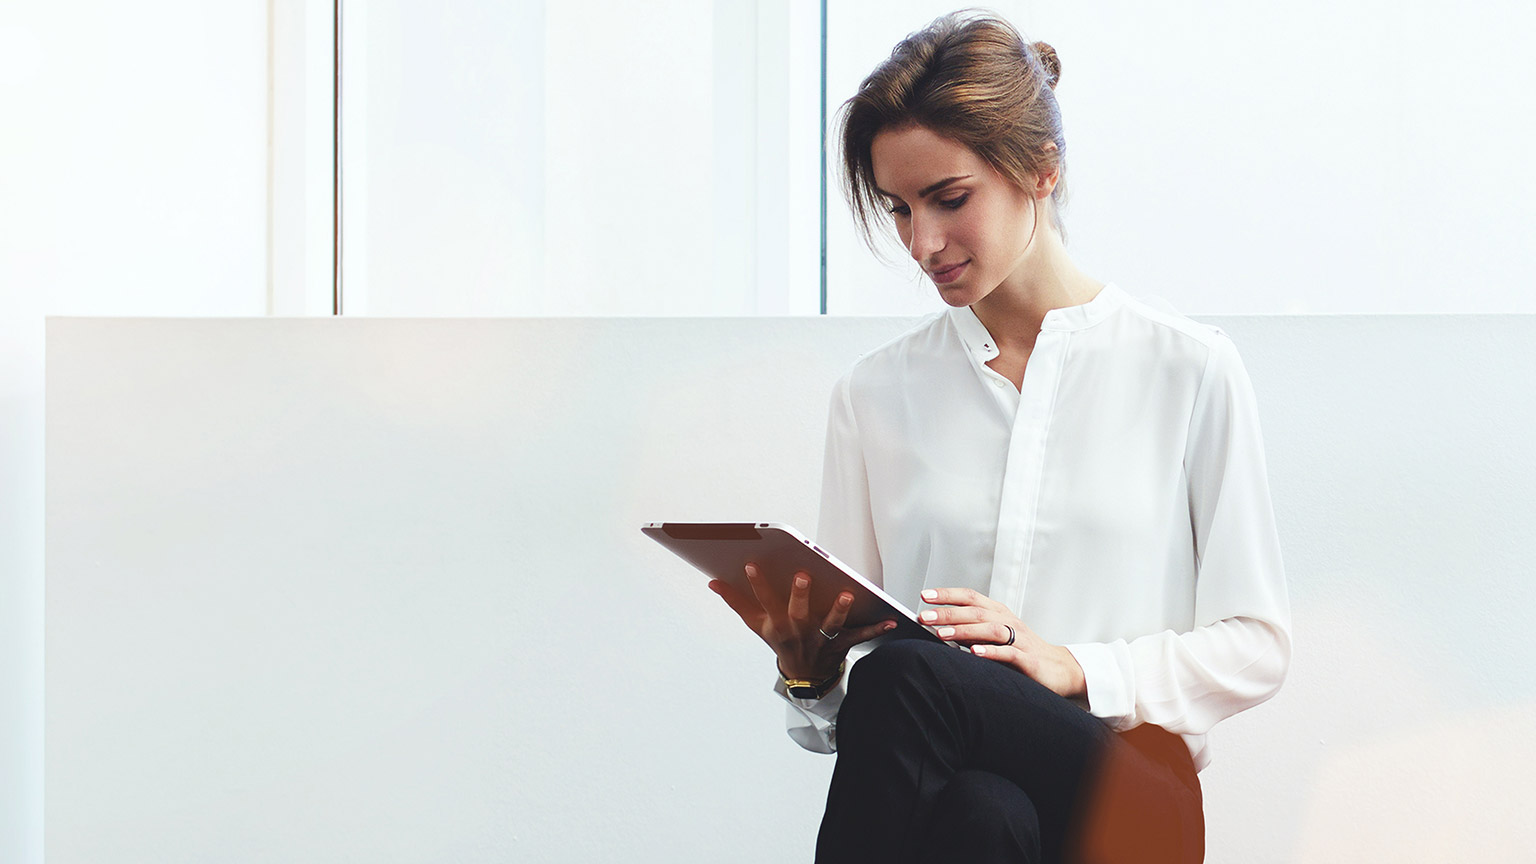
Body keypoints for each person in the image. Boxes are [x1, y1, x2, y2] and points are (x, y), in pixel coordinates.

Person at [708, 10, 1291, 863]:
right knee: (980, 809)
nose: (922, 243)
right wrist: (808, 669)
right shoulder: (874, 395)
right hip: (961, 803)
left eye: (949, 200)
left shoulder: (1187, 368)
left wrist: (1074, 666)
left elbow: (1258, 646)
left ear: (1041, 169)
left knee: (908, 679)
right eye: (899, 209)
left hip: (1133, 795)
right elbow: (849, 713)